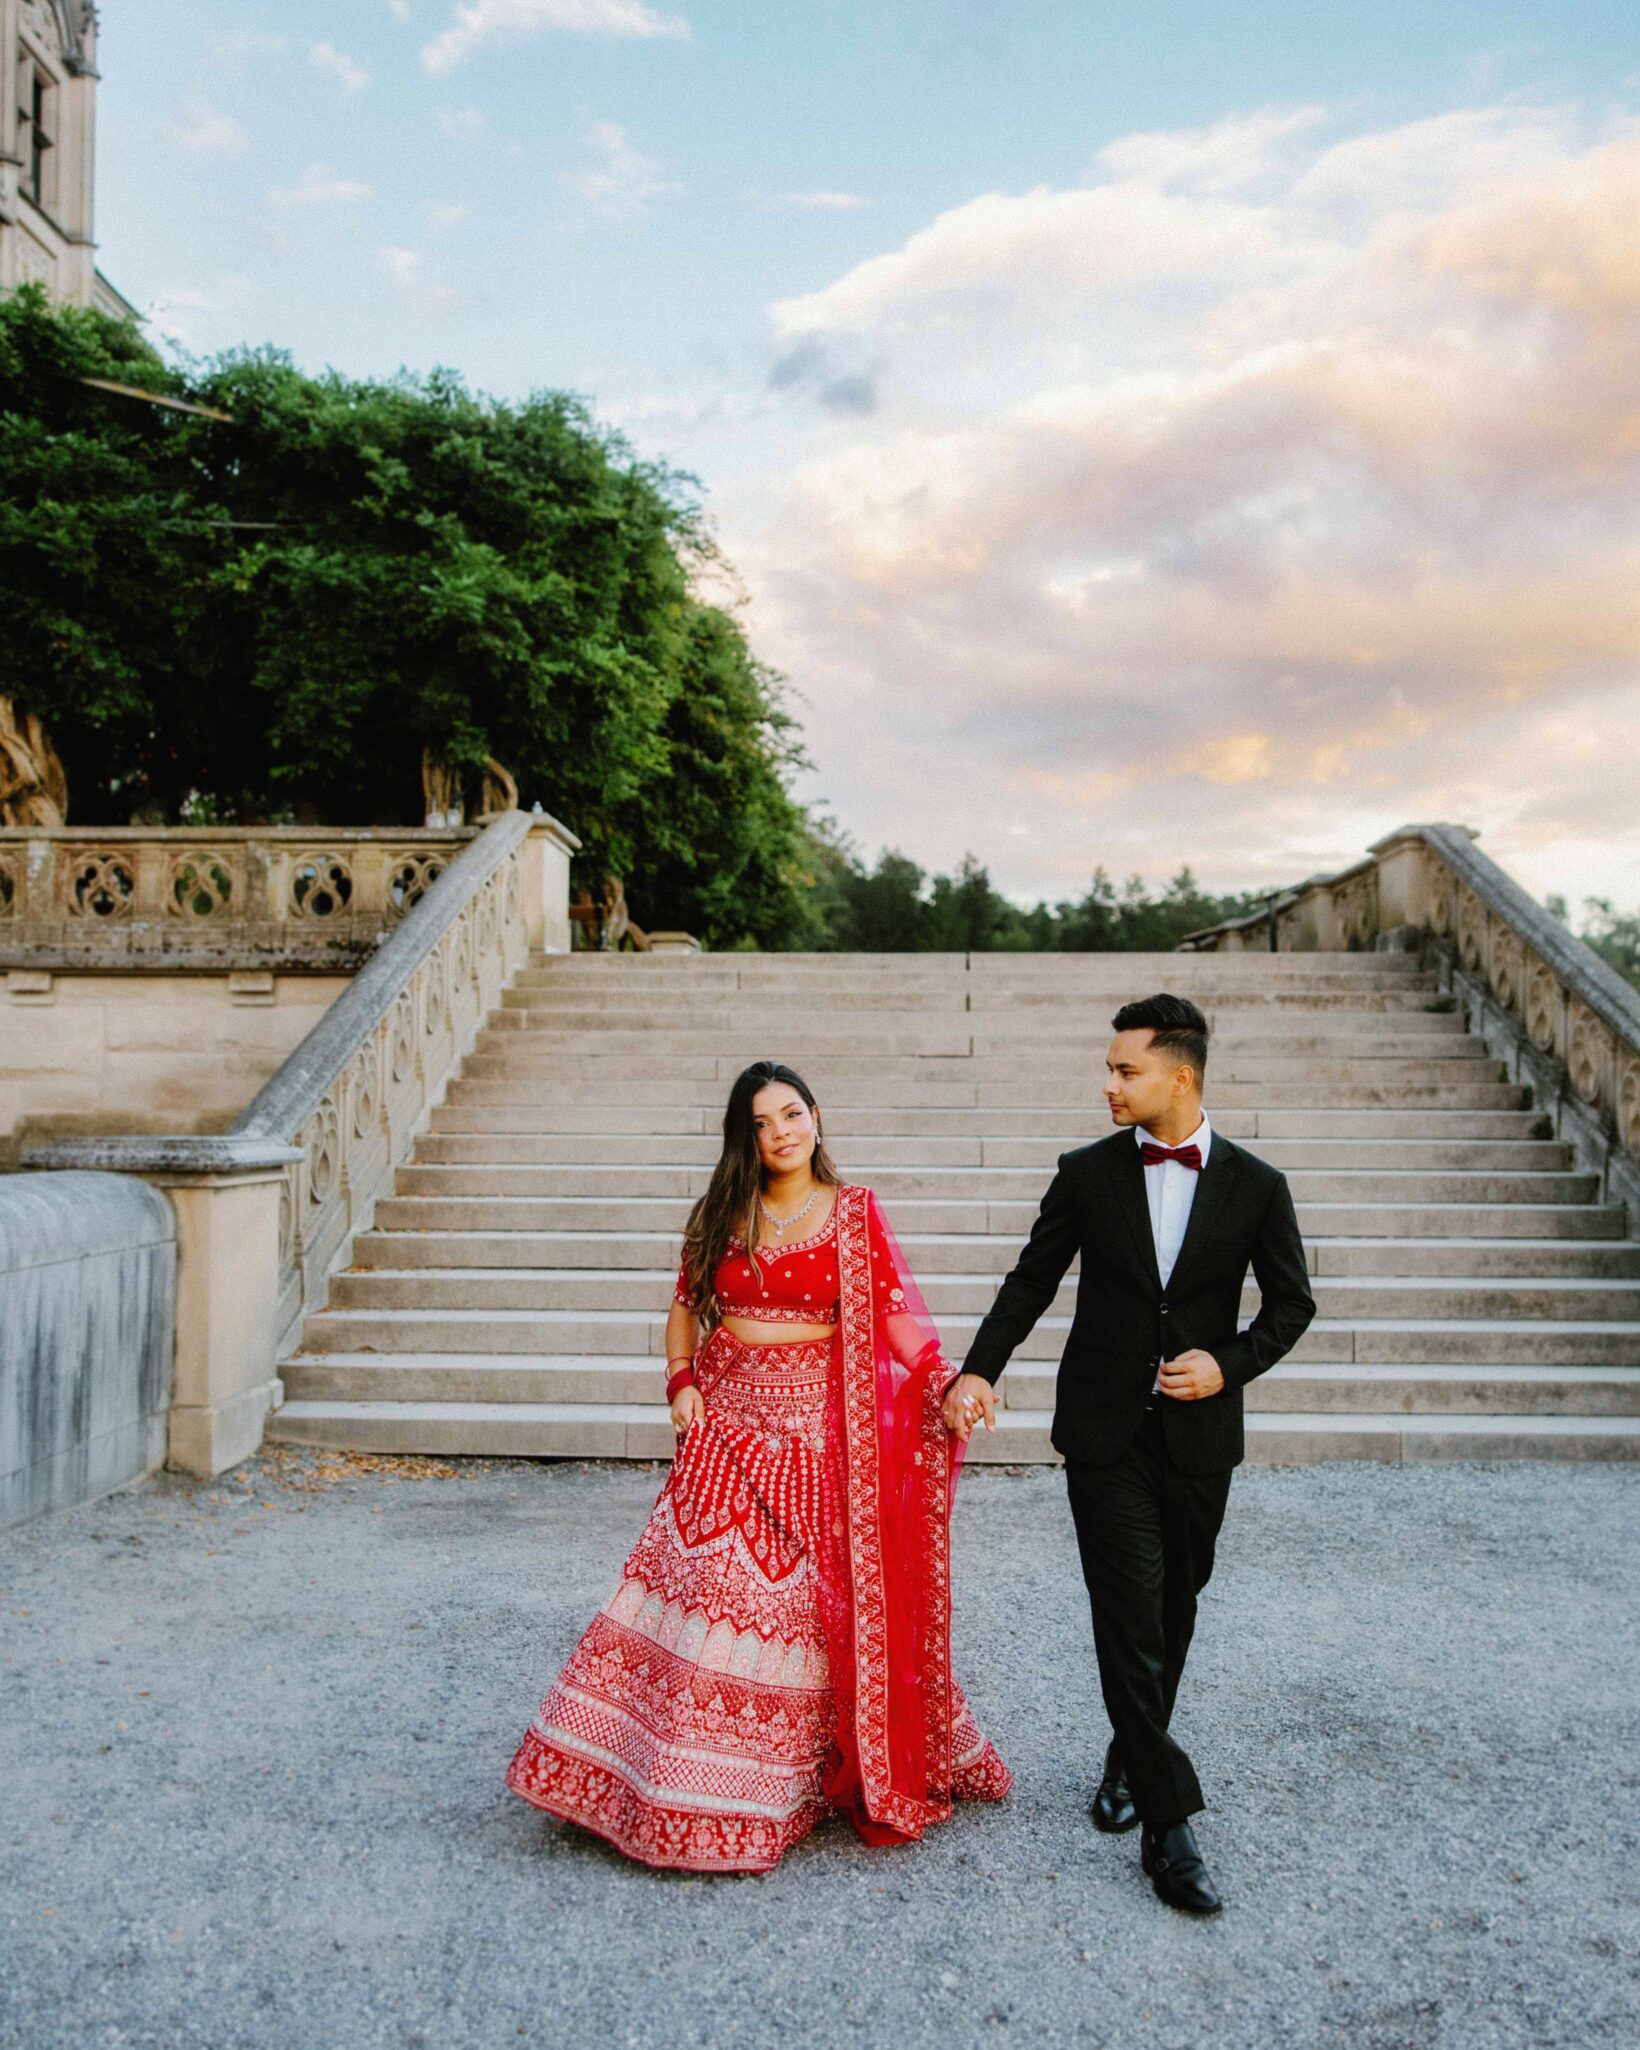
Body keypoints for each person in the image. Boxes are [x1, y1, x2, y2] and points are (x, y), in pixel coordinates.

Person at [507, 1059, 1011, 1872]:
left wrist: (946, 1382)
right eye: (762, 1122)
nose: (780, 1133)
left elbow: (892, 1323)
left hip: (818, 1428)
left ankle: (786, 1776)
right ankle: (666, 1778)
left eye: (792, 1114)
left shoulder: (853, 1215)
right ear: (744, 1136)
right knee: (700, 1582)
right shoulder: (721, 1212)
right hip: (726, 1413)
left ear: (817, 1116)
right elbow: (682, 1313)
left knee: (807, 1601)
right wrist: (680, 1387)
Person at [942, 994, 1314, 1915]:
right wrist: (976, 1372)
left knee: (1175, 1603)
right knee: (1127, 1613)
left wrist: (1226, 1367)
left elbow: (1291, 1306)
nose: (1107, 1084)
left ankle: (1126, 1756)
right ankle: (1169, 1821)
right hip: (1103, 1430)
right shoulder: (1085, 1174)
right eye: (1109, 1068)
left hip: (1198, 1438)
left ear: (1178, 1077)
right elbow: (1030, 1280)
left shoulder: (1258, 1186)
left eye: (1125, 1070)